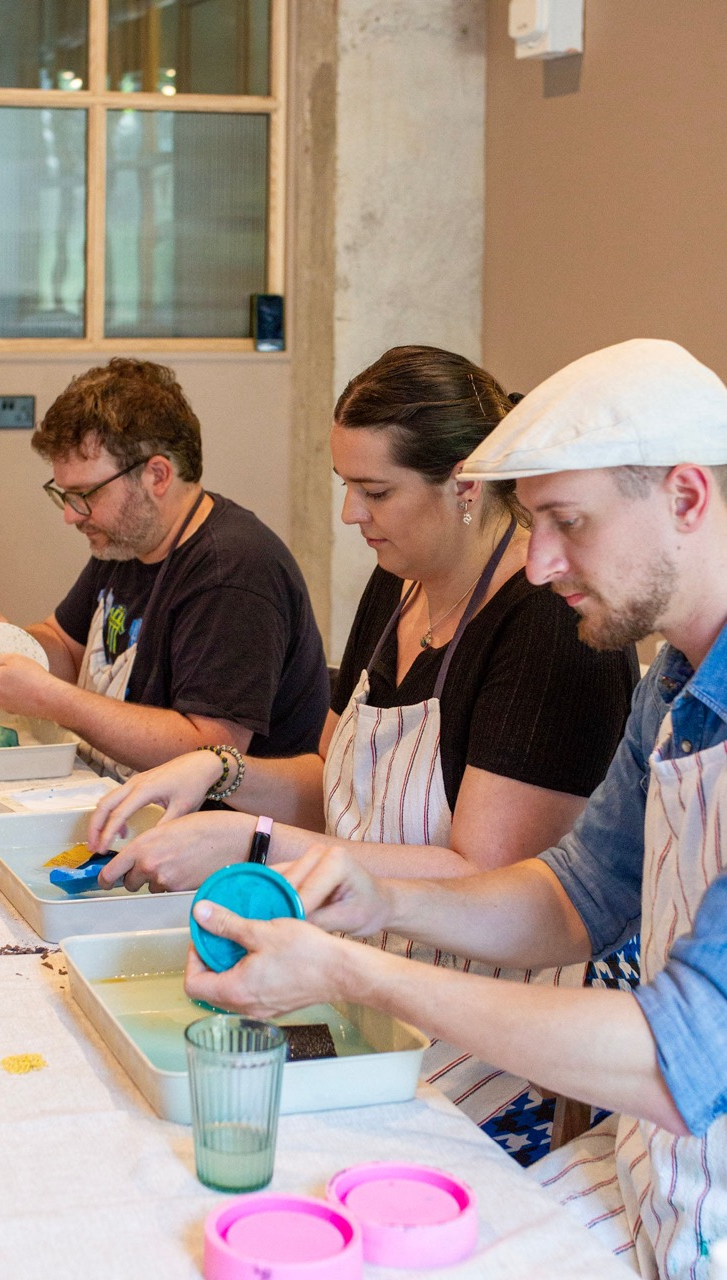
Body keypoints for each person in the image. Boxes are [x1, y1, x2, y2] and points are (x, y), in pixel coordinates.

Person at [181, 338, 727, 1280]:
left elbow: (678, 1060)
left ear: (685, 496)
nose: (543, 562)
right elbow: (572, 900)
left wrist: (359, 971)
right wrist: (383, 900)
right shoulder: (673, 684)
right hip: (650, 1174)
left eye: (568, 522)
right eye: (533, 522)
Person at [88, 345, 639, 1144]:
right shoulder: (396, 582)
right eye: (347, 485)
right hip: (354, 974)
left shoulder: (548, 624)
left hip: (482, 1033)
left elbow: (482, 871)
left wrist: (254, 841)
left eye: (375, 491)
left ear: (465, 485)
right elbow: (334, 782)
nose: (351, 514)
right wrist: (218, 771)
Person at [0, 358, 329, 780]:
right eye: (64, 494)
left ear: (157, 475)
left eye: (85, 493)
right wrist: (10, 648)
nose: (70, 515)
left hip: (219, 834)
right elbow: (64, 644)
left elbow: (210, 753)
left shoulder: (232, 572)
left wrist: (54, 700)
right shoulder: (126, 544)